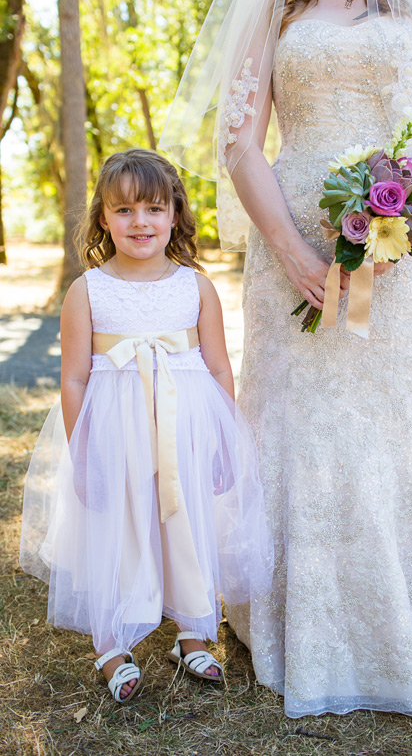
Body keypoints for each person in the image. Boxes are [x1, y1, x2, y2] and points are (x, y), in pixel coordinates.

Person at [160, 0, 412, 718]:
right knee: (298, 422)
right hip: (291, 243)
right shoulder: (276, 7)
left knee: (391, 421)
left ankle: (403, 625)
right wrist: (289, 250)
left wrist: (405, 231)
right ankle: (292, 625)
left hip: (401, 264)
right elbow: (240, 141)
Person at [19, 149, 272, 704]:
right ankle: (111, 641)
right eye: (125, 210)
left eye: (154, 208)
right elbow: (75, 380)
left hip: (187, 427)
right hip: (116, 430)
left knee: (187, 521)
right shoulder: (87, 291)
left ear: (175, 214)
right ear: (103, 219)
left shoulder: (196, 287)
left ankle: (193, 629)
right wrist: (83, 451)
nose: (140, 222)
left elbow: (219, 365)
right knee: (119, 524)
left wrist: (223, 442)